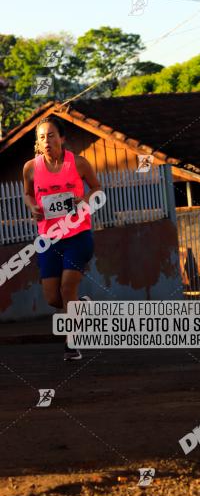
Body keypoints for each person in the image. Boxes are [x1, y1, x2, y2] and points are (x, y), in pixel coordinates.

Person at [23, 115, 101, 360]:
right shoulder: (30, 168)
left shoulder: (78, 164)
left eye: (52, 135)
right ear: (38, 142)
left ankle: (72, 344)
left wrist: (84, 201)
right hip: (48, 239)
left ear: (62, 138)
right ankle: (83, 307)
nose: (47, 141)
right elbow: (27, 194)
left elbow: (97, 189)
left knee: (67, 289)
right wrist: (32, 206)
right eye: (42, 137)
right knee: (53, 298)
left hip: (77, 235)